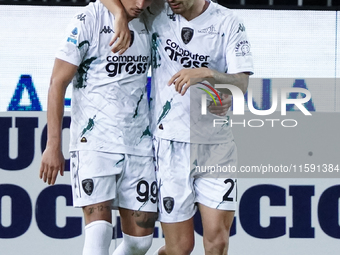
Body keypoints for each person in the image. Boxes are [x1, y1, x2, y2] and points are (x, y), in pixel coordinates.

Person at [102, 0, 254, 254]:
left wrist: (208, 74)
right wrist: (118, 13)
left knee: (217, 242)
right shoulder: (156, 11)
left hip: (217, 147)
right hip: (170, 144)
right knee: (180, 248)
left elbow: (241, 82)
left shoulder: (229, 22)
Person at [39, 0, 159, 255]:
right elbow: (57, 82)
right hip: (93, 143)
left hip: (139, 142)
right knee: (99, 234)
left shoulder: (151, 15)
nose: (140, 4)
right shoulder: (88, 20)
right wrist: (53, 144)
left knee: (140, 243)